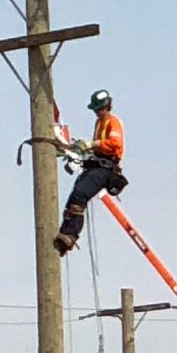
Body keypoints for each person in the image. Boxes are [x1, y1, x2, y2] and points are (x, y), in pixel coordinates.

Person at [55, 89, 127, 256]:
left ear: (107, 106)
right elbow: (96, 147)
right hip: (96, 166)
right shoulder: (99, 123)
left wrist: (92, 144)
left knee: (80, 194)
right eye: (95, 109)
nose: (97, 112)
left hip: (106, 169)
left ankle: (70, 235)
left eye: (99, 109)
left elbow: (115, 144)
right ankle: (66, 234)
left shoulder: (113, 122)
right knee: (75, 197)